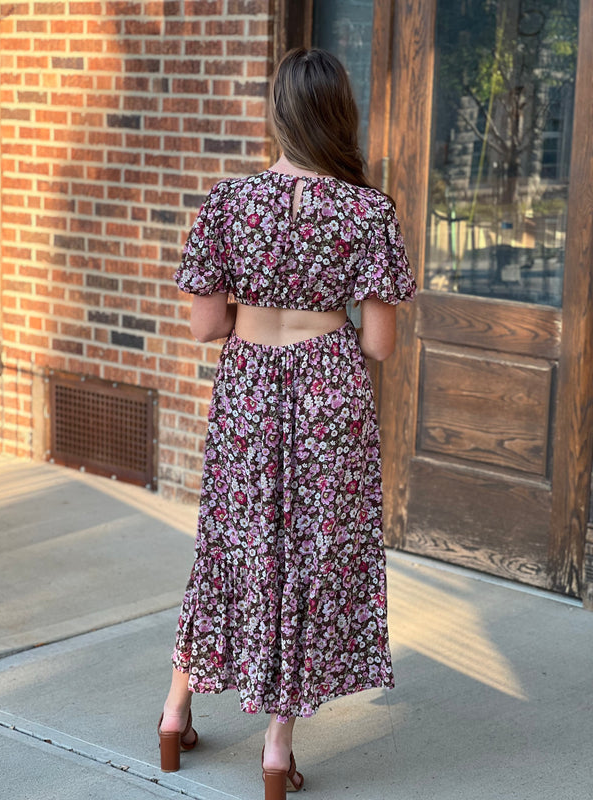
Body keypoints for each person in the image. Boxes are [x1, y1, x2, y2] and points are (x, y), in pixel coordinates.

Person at [157, 47, 416, 799]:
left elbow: (206, 329)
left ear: (278, 112)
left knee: (229, 549)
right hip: (327, 394)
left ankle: (175, 714)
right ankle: (276, 753)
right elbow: (378, 343)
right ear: (341, 115)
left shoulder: (227, 202)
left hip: (246, 391)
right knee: (306, 561)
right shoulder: (368, 210)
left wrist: (255, 307)